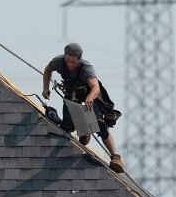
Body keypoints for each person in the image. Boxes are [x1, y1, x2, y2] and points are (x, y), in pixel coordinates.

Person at [42, 43, 125, 173]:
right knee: (67, 127)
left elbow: (95, 88)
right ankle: (83, 131)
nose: (70, 64)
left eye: (73, 61)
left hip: (89, 95)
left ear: (79, 59)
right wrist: (46, 88)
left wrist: (90, 98)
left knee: (99, 124)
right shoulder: (58, 62)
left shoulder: (86, 68)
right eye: (67, 60)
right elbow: (47, 70)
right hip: (72, 94)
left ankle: (116, 157)